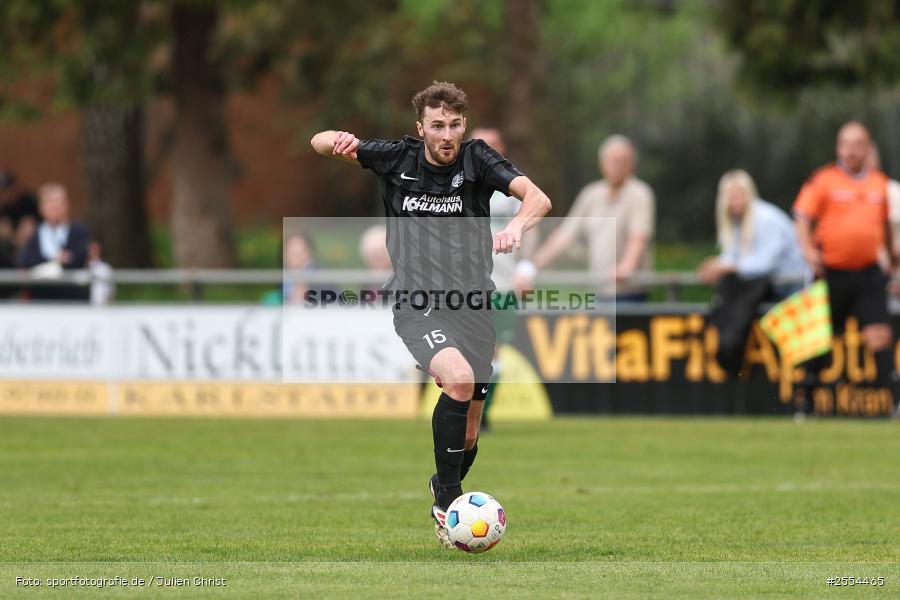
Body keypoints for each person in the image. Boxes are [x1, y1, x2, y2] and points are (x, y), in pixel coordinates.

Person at [310, 81, 551, 549]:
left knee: (471, 432)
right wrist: (334, 140)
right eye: (437, 126)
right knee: (458, 380)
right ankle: (447, 502)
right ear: (420, 128)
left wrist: (518, 226)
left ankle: (443, 483)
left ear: (464, 125)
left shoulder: (478, 159)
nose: (447, 135)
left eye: (454, 125)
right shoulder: (396, 158)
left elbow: (538, 198)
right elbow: (318, 142)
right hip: (416, 303)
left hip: (474, 307)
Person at [793, 121, 899, 416]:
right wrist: (807, 250)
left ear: (868, 148)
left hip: (868, 272)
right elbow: (802, 217)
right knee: (820, 339)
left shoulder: (879, 183)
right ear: (839, 148)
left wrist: (892, 255)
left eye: (857, 144)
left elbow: (885, 227)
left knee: (879, 336)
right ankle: (805, 404)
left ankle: (895, 403)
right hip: (831, 272)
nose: (851, 151)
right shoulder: (824, 179)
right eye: (846, 144)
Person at [513, 134, 655, 302]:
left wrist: (627, 266)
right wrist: (531, 268)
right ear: (602, 164)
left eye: (623, 161)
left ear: (632, 164)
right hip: (600, 290)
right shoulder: (591, 195)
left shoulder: (640, 194)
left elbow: (639, 236)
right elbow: (565, 235)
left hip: (630, 292)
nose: (617, 166)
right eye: (612, 160)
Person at [699, 170, 807, 372]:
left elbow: (764, 264)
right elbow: (735, 256)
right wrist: (716, 265)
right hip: (772, 287)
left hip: (792, 290)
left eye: (738, 195)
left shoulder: (766, 219)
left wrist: (727, 267)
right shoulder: (738, 221)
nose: (734, 201)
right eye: (730, 196)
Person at [17, 183, 90, 301]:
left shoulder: (78, 231)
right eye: (49, 202)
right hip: (41, 298)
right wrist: (54, 261)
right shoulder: (35, 234)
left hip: (72, 298)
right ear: (41, 208)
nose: (54, 207)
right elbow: (25, 261)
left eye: (58, 202)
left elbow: (81, 257)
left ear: (66, 205)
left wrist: (67, 261)